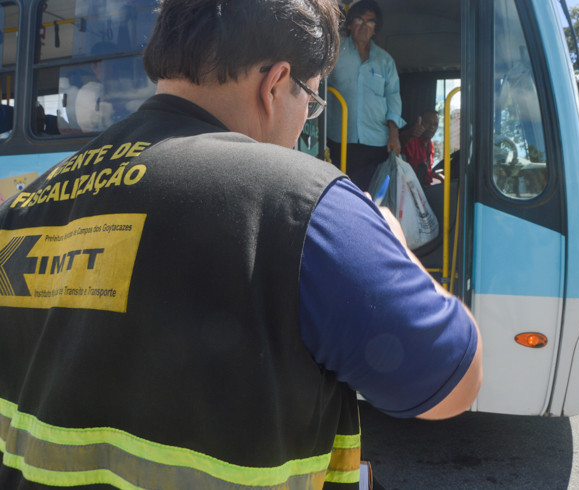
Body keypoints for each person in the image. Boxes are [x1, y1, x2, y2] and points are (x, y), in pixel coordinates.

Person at [0, 1, 482, 489]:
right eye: (312, 102)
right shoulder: (306, 204)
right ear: (275, 84)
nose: (305, 124)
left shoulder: (23, 210)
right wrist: (397, 247)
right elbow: (454, 383)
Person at [326, 0, 406, 191]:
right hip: (339, 139)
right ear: (349, 24)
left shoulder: (385, 60)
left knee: (371, 195)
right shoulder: (335, 51)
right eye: (359, 20)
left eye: (369, 22)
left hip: (376, 141)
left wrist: (394, 134)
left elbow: (393, 97)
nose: (364, 25)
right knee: (341, 193)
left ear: (375, 28)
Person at [401, 110, 441, 187]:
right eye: (427, 122)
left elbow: (426, 172)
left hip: (422, 189)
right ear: (420, 122)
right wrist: (410, 133)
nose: (432, 127)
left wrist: (436, 175)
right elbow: (400, 142)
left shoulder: (430, 144)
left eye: (435, 124)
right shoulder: (410, 139)